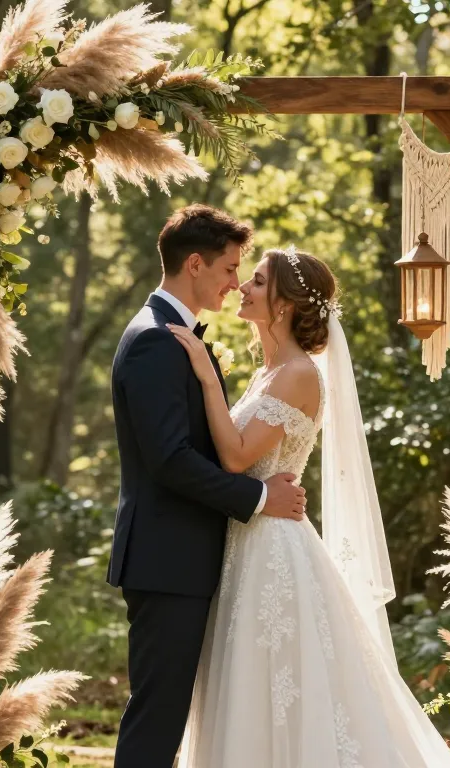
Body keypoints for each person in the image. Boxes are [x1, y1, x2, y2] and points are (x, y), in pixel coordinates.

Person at [171, 245, 450, 768]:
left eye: (258, 281)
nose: (243, 288)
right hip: (246, 538)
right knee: (245, 682)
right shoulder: (269, 372)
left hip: (272, 550)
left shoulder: (300, 374)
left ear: (283, 304)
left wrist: (207, 377)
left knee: (280, 680)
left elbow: (236, 457)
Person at [108, 205, 308, 768]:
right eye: (229, 268)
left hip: (186, 560)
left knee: (175, 717)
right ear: (194, 264)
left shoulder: (172, 336)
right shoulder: (154, 340)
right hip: (167, 560)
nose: (234, 282)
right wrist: (261, 498)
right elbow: (170, 460)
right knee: (158, 720)